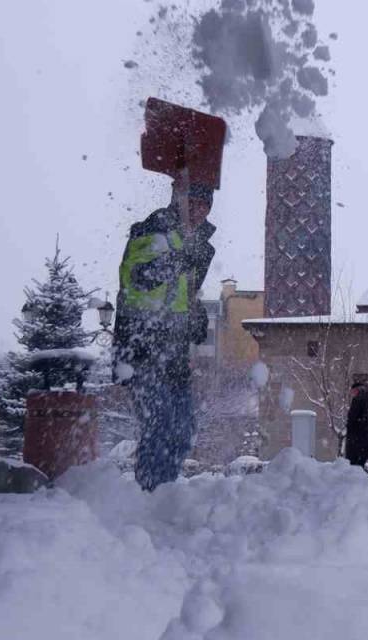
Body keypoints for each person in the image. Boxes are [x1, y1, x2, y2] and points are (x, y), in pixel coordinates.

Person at [114, 179, 216, 491]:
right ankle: (150, 494)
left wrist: (196, 318)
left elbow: (185, 293)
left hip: (173, 352)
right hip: (142, 347)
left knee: (182, 430)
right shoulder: (152, 229)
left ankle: (163, 493)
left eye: (206, 205)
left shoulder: (198, 243)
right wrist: (178, 260)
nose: (200, 211)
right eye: (194, 203)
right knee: (158, 427)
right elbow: (138, 278)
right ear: (179, 201)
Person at [344, 382, 368, 466]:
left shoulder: (357, 400)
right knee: (361, 465)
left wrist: (351, 428)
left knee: (353, 466)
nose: (352, 394)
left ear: (357, 390)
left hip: (355, 440)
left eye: (353, 391)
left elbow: (352, 418)